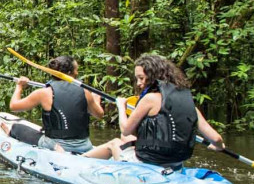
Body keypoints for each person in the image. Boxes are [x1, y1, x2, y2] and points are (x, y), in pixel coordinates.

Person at [83, 53, 225, 168]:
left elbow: (125, 130)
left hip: (147, 163)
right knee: (131, 140)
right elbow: (217, 138)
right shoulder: (188, 103)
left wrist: (121, 106)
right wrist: (218, 146)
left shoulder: (150, 99)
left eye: (141, 78)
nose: (138, 83)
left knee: (115, 142)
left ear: (153, 76)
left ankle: (76, 162)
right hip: (175, 164)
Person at [0, 55, 105, 154]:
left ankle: (11, 132)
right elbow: (99, 115)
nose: (77, 73)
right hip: (84, 147)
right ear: (69, 72)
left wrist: (19, 86)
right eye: (76, 70)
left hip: (57, 146)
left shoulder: (44, 93)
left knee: (17, 128)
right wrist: (96, 98)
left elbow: (13, 106)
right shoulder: (85, 92)